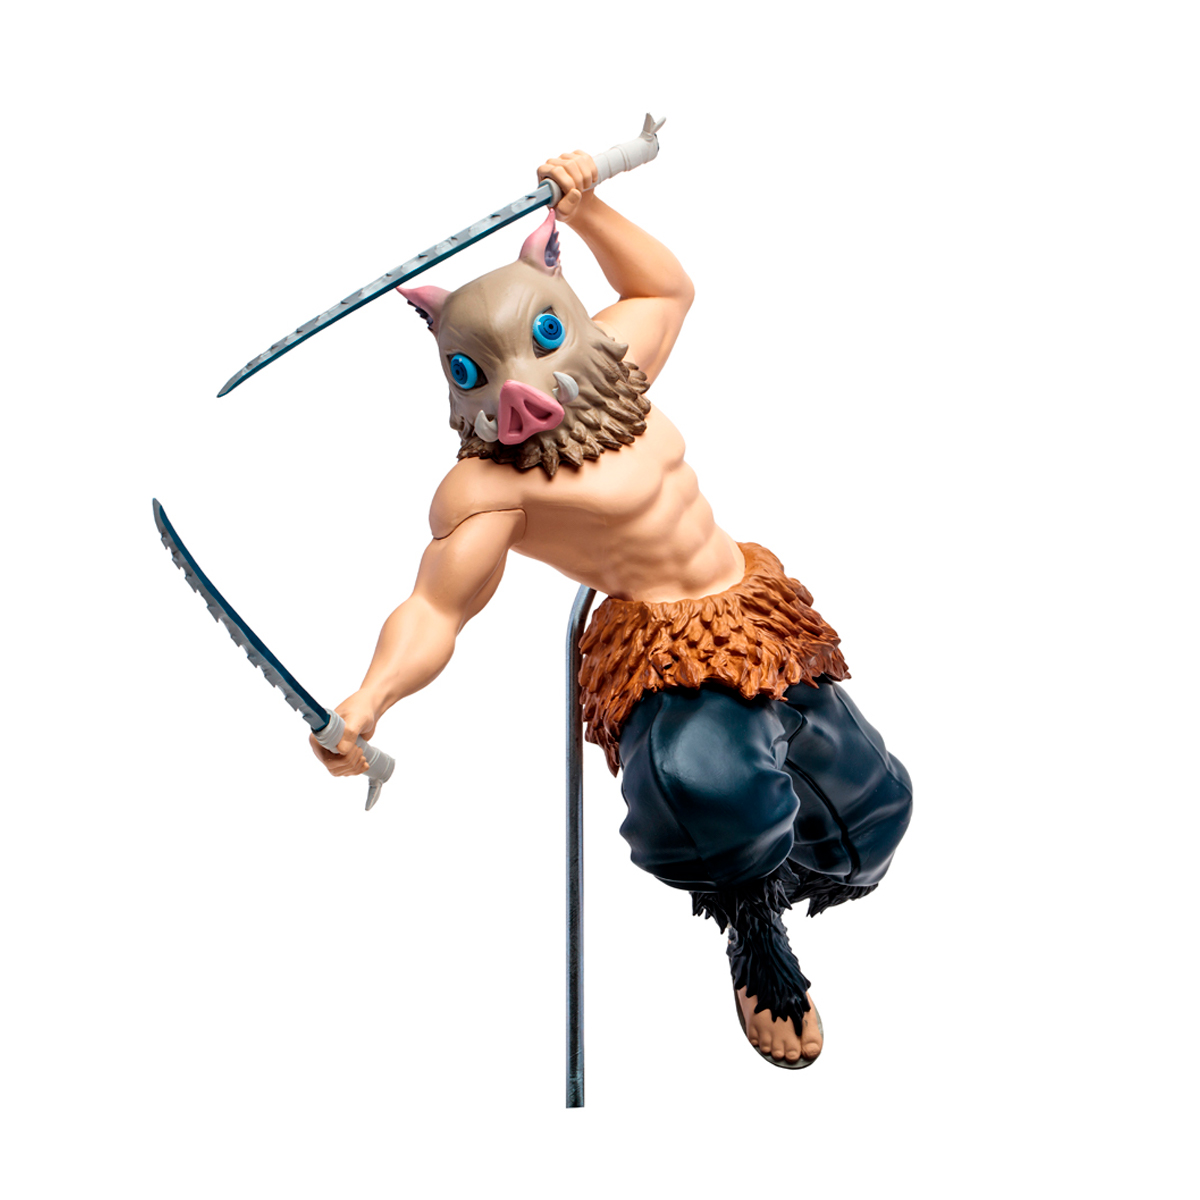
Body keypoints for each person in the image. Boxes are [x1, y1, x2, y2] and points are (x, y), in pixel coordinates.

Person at [311, 150, 912, 1068]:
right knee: (704, 795)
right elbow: (435, 607)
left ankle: (772, 873)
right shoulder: (486, 490)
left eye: (542, 337)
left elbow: (667, 288)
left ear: (570, 313)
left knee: (872, 814)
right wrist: (368, 701)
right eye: (475, 368)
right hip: (664, 651)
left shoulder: (619, 365)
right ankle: (754, 934)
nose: (518, 387)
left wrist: (588, 209)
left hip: (756, 611)